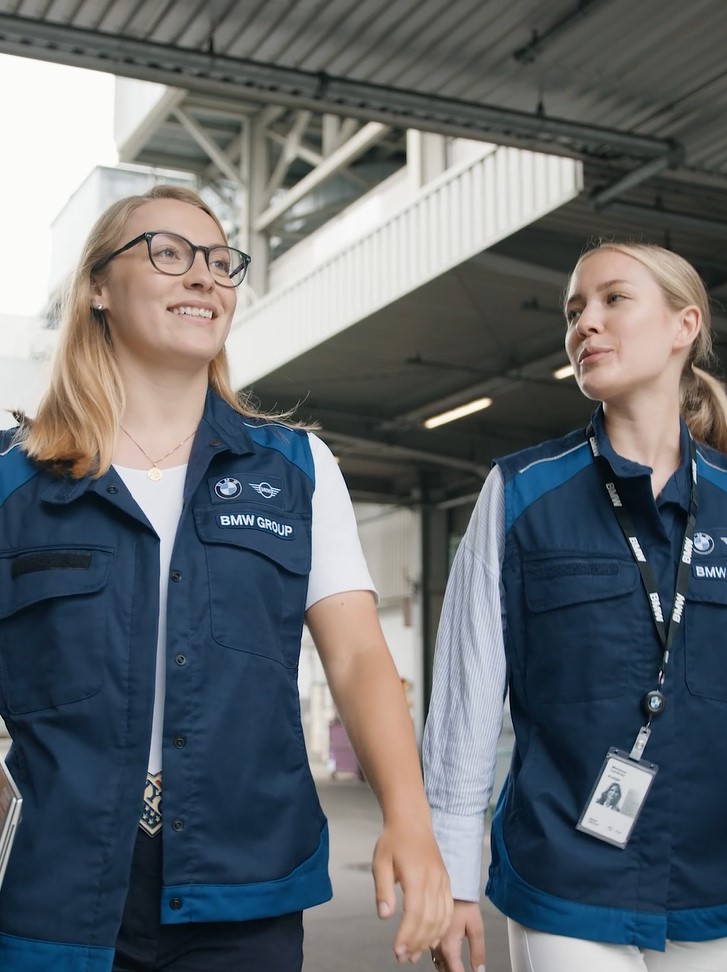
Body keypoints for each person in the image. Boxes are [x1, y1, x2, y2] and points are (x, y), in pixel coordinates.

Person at [0, 184, 452, 972]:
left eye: (219, 261)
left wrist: (409, 821)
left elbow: (354, 659)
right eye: (168, 254)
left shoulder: (298, 469)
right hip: (56, 886)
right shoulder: (14, 482)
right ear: (98, 288)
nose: (204, 276)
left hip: (244, 885)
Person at [423, 241, 727, 972]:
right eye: (572, 310)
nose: (583, 323)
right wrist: (453, 882)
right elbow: (465, 705)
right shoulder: (520, 493)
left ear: (683, 325)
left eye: (612, 299)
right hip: (564, 876)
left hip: (711, 879)